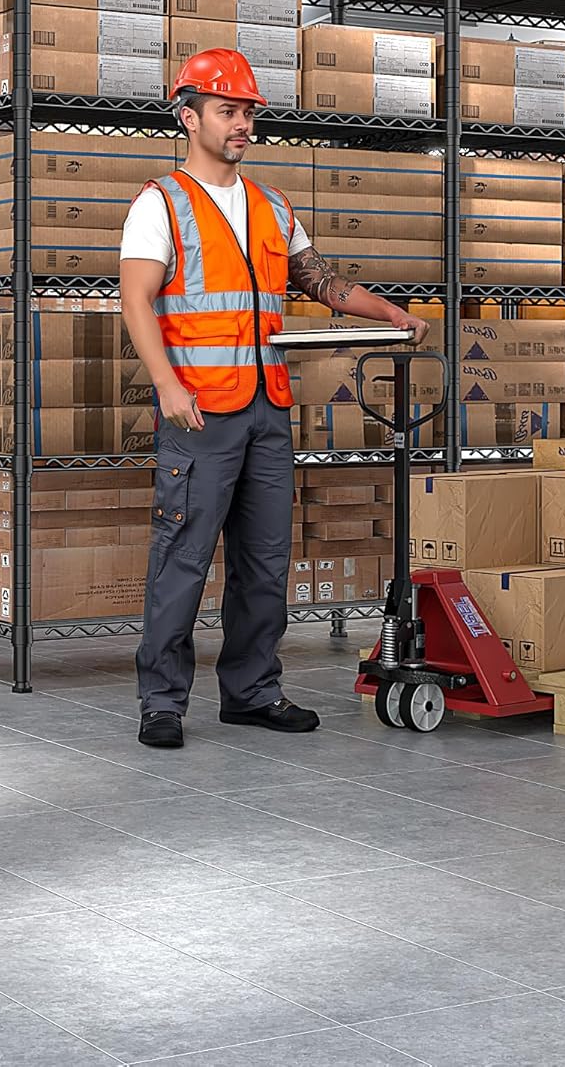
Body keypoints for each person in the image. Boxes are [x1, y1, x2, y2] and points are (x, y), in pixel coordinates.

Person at [120, 49, 429, 749]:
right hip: (199, 411)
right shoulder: (161, 203)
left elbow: (320, 281)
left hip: (266, 409)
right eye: (226, 111)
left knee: (265, 562)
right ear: (189, 117)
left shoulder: (273, 206)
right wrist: (166, 383)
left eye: (248, 112)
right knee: (183, 560)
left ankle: (252, 691)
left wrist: (388, 312)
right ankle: (161, 703)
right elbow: (136, 300)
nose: (241, 124)